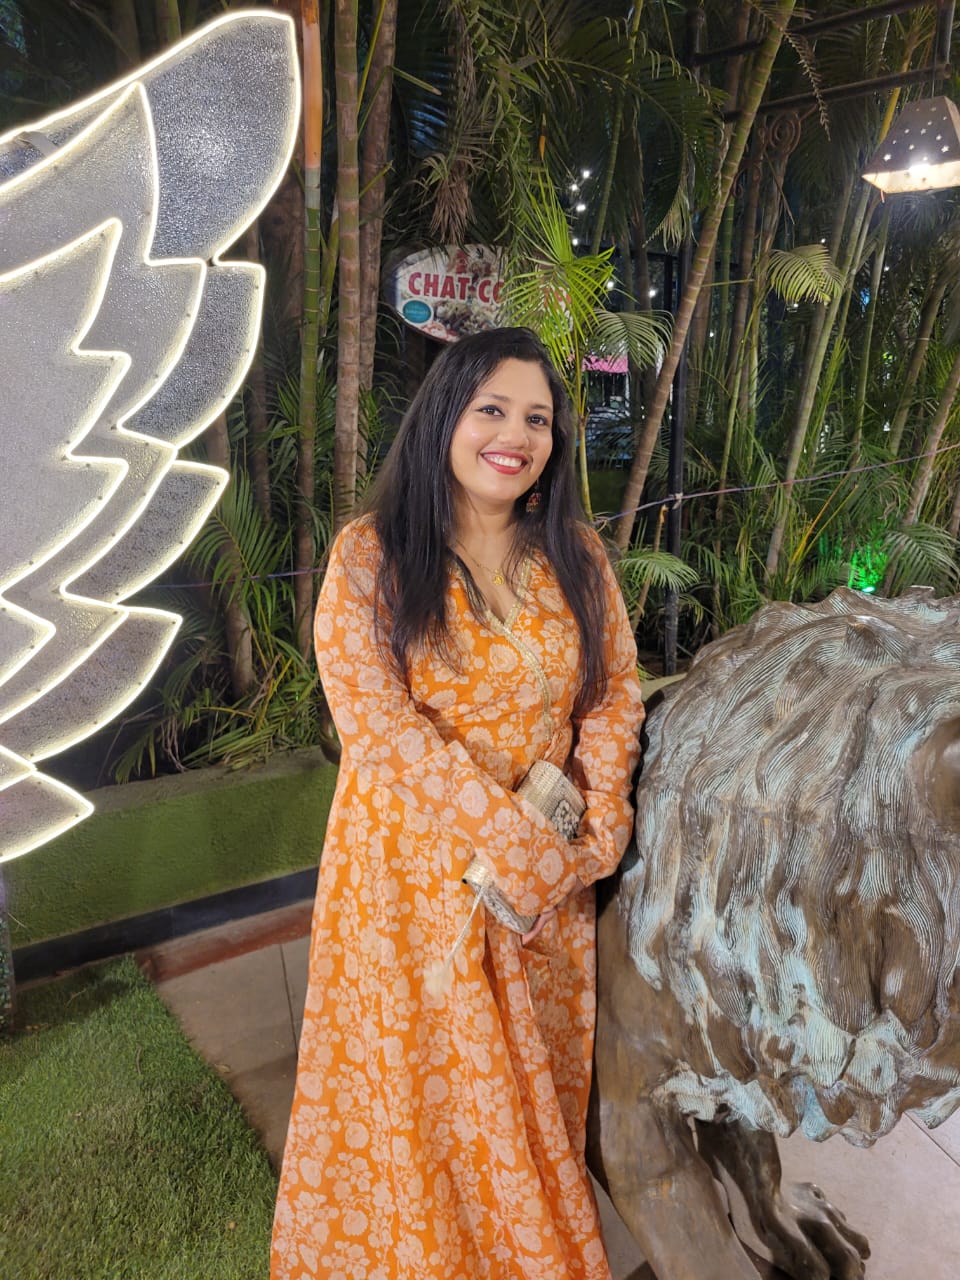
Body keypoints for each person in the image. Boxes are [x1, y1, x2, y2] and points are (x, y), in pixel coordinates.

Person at [272, 327, 645, 1280]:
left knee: (527, 1111)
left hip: (542, 895)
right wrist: (517, 844)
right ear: (445, 415)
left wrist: (600, 827)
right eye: (492, 410)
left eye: (538, 419)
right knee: (422, 1112)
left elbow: (612, 696)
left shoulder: (577, 557)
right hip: (409, 890)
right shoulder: (372, 556)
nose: (515, 436)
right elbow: (380, 729)